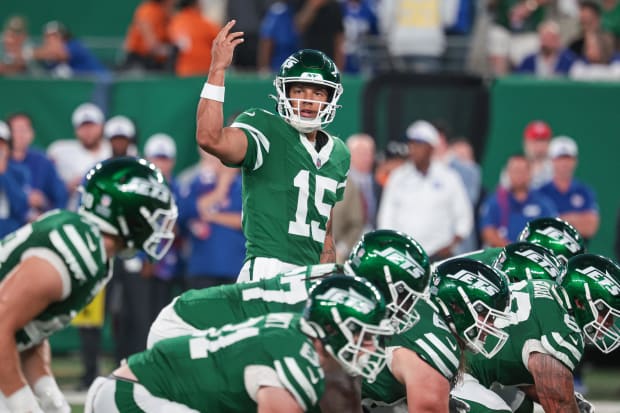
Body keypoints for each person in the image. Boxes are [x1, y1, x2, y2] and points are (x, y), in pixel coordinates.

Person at [0, 157, 177, 413]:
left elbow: (30, 329)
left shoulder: (93, 251)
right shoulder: (77, 252)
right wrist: (22, 404)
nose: (159, 228)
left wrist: (48, 394)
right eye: (154, 215)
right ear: (129, 213)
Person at [86, 275, 394, 413]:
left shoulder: (294, 335)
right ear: (330, 328)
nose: (369, 347)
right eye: (362, 335)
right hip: (132, 398)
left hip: (137, 391)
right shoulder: (296, 356)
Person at [196, 22, 350, 282]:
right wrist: (217, 69)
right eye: (299, 90)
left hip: (312, 275)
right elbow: (210, 138)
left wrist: (326, 276)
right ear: (284, 94)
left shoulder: (339, 153)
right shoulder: (264, 128)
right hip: (269, 271)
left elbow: (325, 233)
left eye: (318, 92)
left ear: (331, 98)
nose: (308, 100)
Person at [451, 253, 620, 413]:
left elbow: (526, 372)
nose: (610, 323)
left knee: (521, 405)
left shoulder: (548, 288)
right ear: (580, 302)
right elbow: (558, 402)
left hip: (465, 361)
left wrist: (571, 399)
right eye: (605, 313)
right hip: (455, 371)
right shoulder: (564, 331)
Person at [362, 257, 513, 412]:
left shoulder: (422, 310)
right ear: (457, 307)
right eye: (486, 315)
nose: (491, 325)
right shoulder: (437, 346)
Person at [377, 120, 472, 261]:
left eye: (419, 145)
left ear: (431, 148)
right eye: (412, 144)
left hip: (440, 255)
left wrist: (451, 245)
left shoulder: (449, 177)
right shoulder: (398, 177)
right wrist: (392, 245)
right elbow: (386, 215)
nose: (413, 149)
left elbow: (464, 216)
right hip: (404, 255)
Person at [480, 153, 557, 247]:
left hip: (535, 257)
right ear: (508, 173)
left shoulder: (543, 203)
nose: (519, 175)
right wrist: (512, 250)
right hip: (502, 255)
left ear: (530, 173)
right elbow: (487, 232)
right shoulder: (496, 201)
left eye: (522, 171)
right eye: (515, 171)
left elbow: (551, 232)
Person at [47, 102, 111, 209]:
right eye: (83, 127)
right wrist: (66, 187)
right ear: (76, 130)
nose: (88, 132)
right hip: (74, 212)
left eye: (91, 126)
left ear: (101, 127)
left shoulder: (111, 149)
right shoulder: (61, 151)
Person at [7, 112, 68, 221]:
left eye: (24, 130)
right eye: (15, 130)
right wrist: (24, 199)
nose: (19, 135)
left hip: (38, 226)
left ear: (32, 133)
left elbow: (60, 195)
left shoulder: (42, 161)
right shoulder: (4, 163)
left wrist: (44, 206)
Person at [538, 136, 599, 242]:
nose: (564, 163)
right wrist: (577, 219)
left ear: (575, 161)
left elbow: (590, 228)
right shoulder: (541, 192)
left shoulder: (584, 192)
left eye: (568, 158)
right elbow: (539, 228)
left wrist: (557, 219)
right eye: (560, 158)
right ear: (551, 160)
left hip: (578, 255)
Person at [33, 21, 108, 77]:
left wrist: (36, 53)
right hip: (80, 86)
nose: (51, 39)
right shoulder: (49, 56)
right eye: (48, 36)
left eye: (55, 36)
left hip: (100, 80)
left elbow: (61, 54)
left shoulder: (74, 45)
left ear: (64, 35)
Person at [168, 0, 220, 77]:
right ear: (196, 5)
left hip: (183, 72)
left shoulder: (175, 22)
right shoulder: (205, 24)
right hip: (205, 71)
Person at [123, 0, 176, 71]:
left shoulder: (167, 13)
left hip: (157, 62)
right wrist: (175, 50)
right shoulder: (147, 11)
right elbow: (152, 46)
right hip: (140, 61)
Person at [0, 120, 29, 238]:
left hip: (10, 234)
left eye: (2, 144)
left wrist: (3, 173)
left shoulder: (19, 172)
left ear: (8, 147)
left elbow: (21, 207)